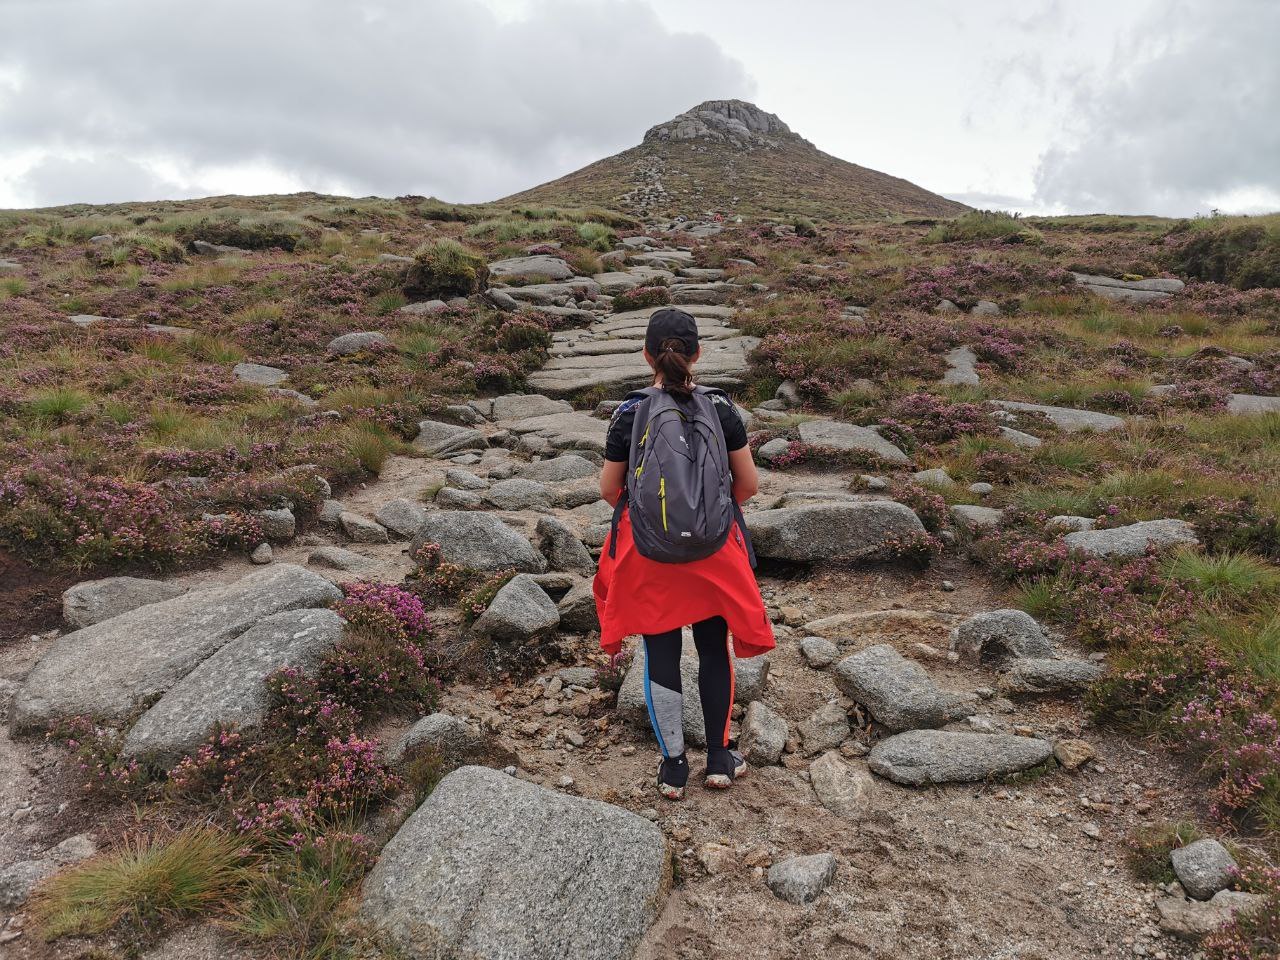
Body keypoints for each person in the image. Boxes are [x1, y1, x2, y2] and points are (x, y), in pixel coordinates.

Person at [594, 307, 775, 800]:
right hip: (714, 550)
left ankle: (673, 766)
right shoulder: (722, 409)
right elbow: (749, 485)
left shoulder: (629, 412)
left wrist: (660, 521)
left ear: (646, 354)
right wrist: (706, 515)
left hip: (650, 552)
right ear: (698, 354)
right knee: (715, 647)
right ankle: (719, 758)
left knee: (661, 652)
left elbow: (612, 489)